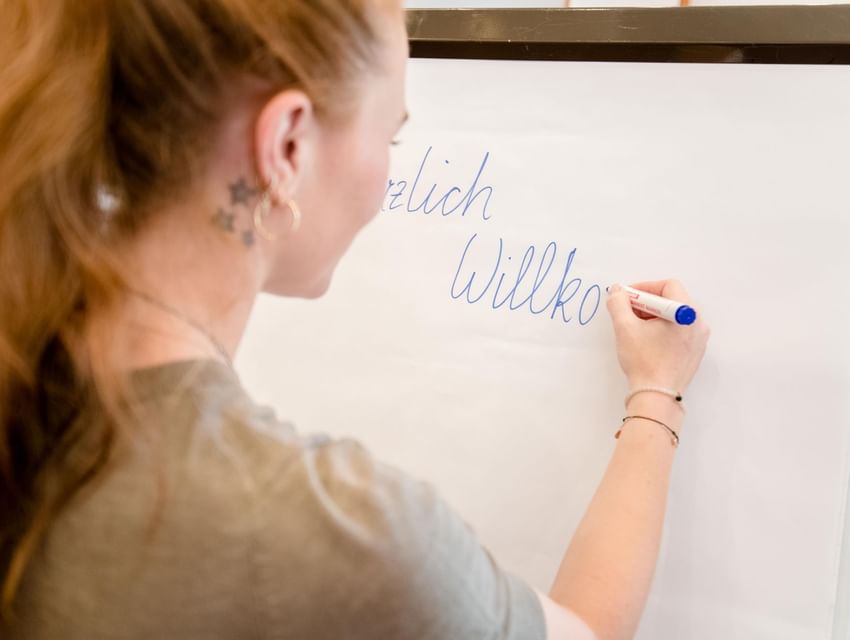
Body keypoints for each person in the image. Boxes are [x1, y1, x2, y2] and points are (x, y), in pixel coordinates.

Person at [0, 1, 709, 639]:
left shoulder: (27, 370)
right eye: (390, 137)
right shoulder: (336, 534)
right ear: (287, 146)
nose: (387, 176)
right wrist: (656, 392)